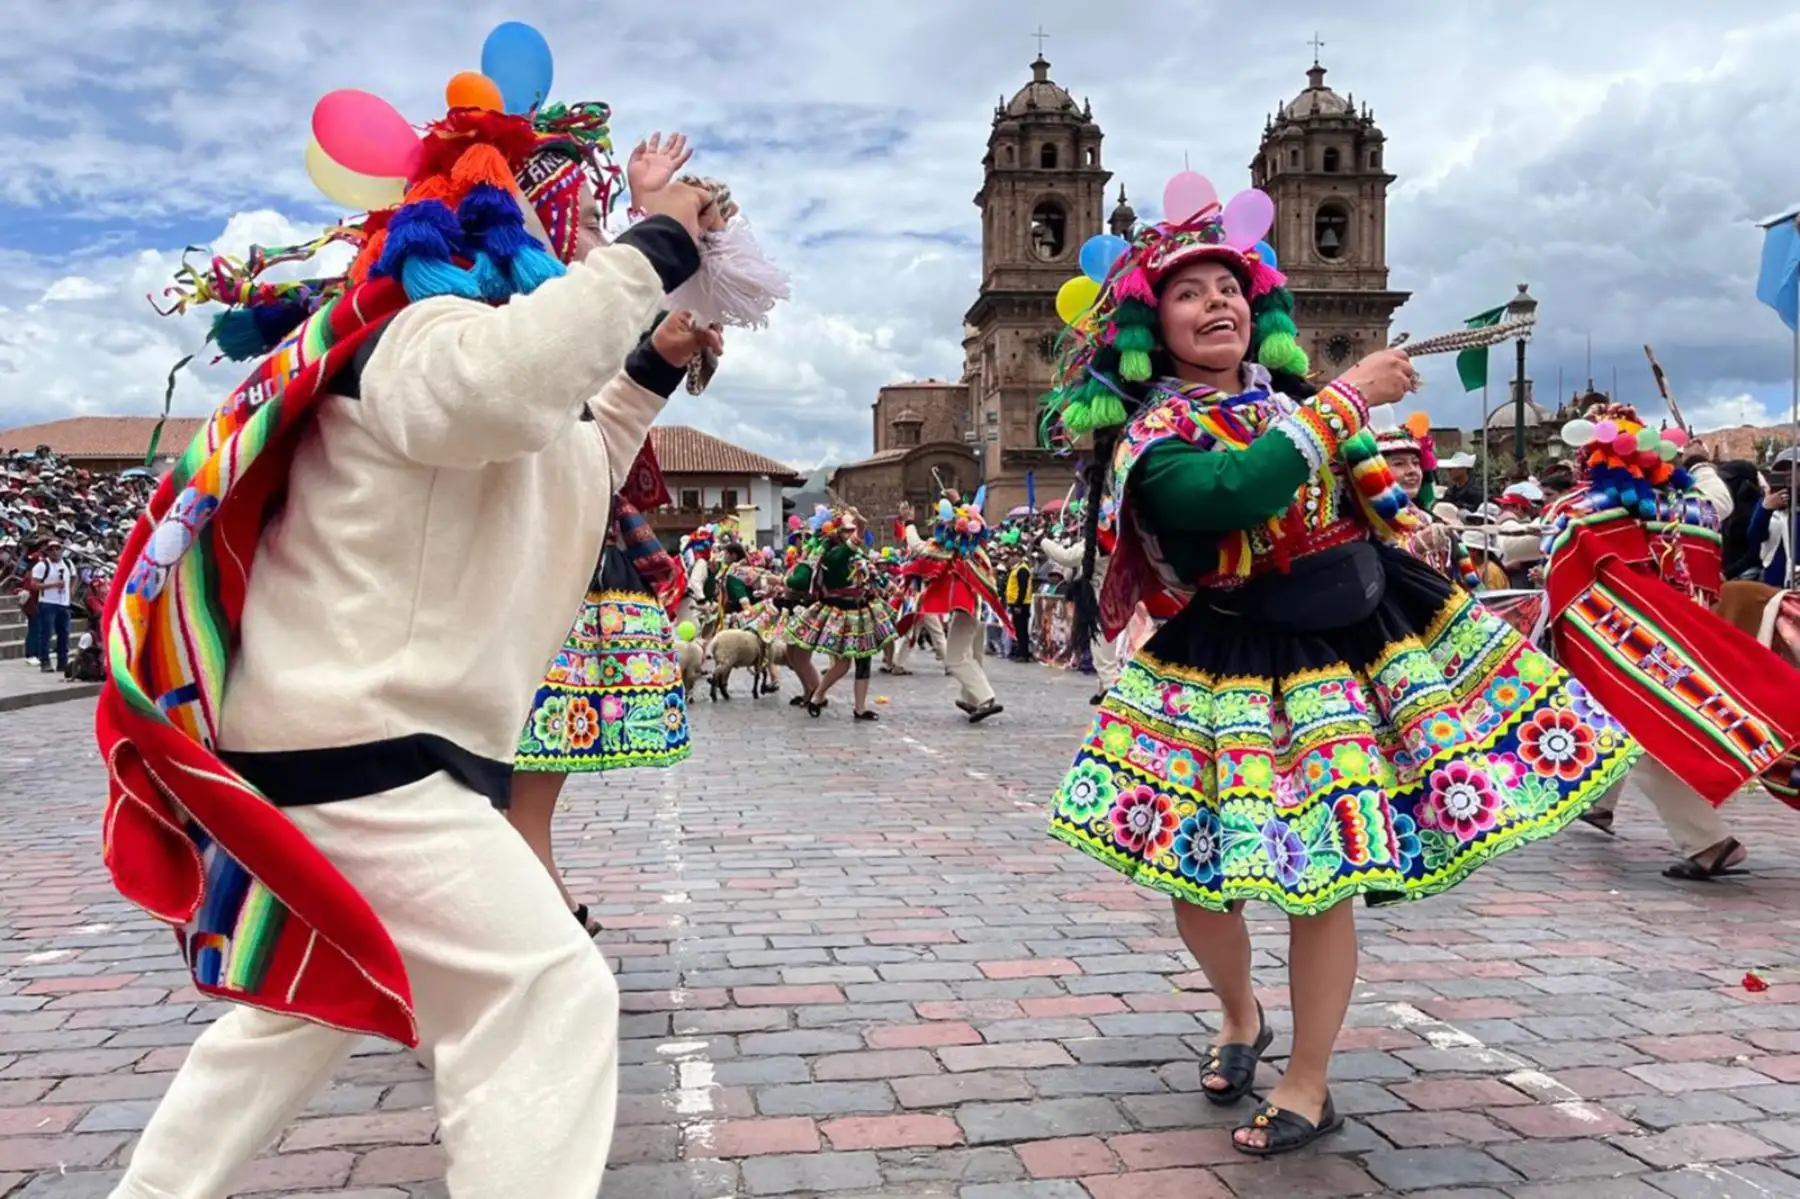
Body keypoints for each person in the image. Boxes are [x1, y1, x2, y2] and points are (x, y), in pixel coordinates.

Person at [95, 71, 719, 1197]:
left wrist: (652, 359)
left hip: (354, 742)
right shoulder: (419, 333)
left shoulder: (461, 357)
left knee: (301, 1006)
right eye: (555, 221)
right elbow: (500, 392)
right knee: (544, 990)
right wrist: (650, 250)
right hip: (367, 749)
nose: (567, 244)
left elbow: (570, 445)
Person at [1036, 171, 1634, 1156]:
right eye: (1188, 292)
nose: (1216, 301)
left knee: (1326, 870)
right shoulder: (1154, 441)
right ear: (1150, 329)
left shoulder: (1306, 403)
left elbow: (1353, 485)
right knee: (1198, 874)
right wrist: (1351, 394)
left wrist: (1407, 521)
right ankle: (1240, 1014)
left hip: (1352, 641)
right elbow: (1237, 489)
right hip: (1226, 655)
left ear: (1258, 306)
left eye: (1230, 286)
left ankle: (1309, 1081)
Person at [1545, 404, 1800, 873]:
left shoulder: (1582, 512)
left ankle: (1706, 842)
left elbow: (1555, 561)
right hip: (1689, 629)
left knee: (1642, 730)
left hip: (1629, 642)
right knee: (1627, 719)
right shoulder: (1694, 509)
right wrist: (1699, 464)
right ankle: (1601, 804)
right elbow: (1718, 502)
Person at [898, 493, 1008, 721]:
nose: (942, 525)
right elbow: (971, 521)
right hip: (977, 609)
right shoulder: (977, 551)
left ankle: (986, 698)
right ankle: (971, 699)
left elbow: (918, 548)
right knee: (972, 656)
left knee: (954, 659)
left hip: (968, 610)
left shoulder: (951, 552)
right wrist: (958, 503)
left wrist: (908, 522)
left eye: (944, 523)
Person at [790, 508, 896, 719]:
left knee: (864, 659)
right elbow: (849, 548)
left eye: (853, 530)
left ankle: (859, 707)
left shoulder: (855, 554)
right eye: (847, 530)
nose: (851, 534)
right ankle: (818, 694)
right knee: (844, 662)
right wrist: (861, 526)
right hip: (843, 613)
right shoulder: (832, 555)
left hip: (862, 609)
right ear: (836, 533)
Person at [25, 538, 72, 675]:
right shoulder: (42, 565)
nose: (55, 552)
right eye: (52, 550)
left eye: (57, 549)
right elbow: (34, 584)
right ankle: (44, 661)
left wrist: (71, 590)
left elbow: (74, 577)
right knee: (46, 633)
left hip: (64, 602)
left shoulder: (68, 563)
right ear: (47, 552)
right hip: (47, 602)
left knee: (64, 633)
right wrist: (52, 585)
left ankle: (62, 662)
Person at [1004, 552, 1035, 661]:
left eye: (1012, 557)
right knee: (1018, 629)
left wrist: (1018, 604)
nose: (1010, 559)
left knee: (1022, 630)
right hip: (1015, 603)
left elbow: (1023, 589)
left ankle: (1023, 654)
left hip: (1021, 604)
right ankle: (1019, 651)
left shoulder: (1022, 570)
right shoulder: (1015, 569)